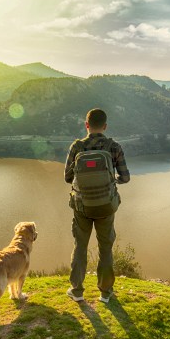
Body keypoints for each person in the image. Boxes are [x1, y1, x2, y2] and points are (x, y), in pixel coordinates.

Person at [64, 108, 130, 303]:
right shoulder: (114, 147)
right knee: (105, 248)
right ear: (105, 126)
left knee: (80, 247)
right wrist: (111, 180)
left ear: (86, 125)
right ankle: (105, 293)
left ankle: (77, 291)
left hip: (82, 206)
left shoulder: (77, 147)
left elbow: (68, 178)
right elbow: (125, 177)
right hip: (106, 206)